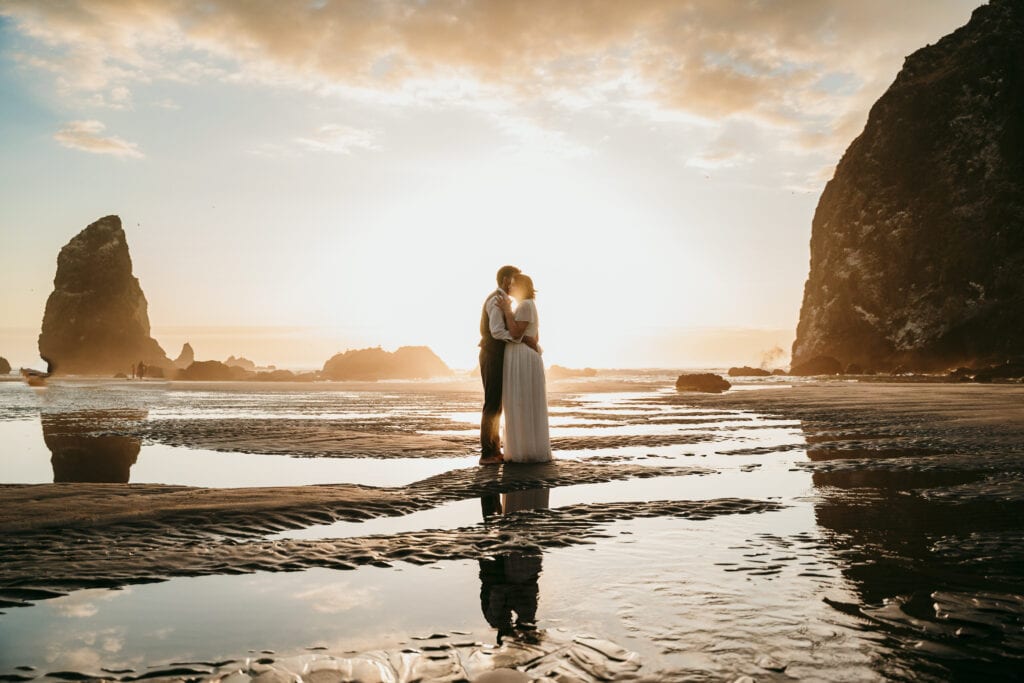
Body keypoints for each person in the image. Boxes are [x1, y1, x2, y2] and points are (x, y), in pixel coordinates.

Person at [478, 266, 539, 465]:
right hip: (492, 354)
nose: (515, 283)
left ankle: (495, 450)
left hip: (500, 354)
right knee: (492, 403)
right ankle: (487, 454)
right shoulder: (496, 300)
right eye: (513, 279)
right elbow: (496, 331)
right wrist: (520, 339)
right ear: (505, 280)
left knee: (498, 404)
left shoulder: (507, 301)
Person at [498, 274, 552, 463]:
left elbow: (515, 332)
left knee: (521, 401)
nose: (510, 289)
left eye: (513, 285)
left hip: (522, 357)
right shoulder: (528, 305)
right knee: (523, 401)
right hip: (523, 355)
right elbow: (533, 337)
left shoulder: (525, 305)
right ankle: (526, 448)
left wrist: (506, 310)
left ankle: (525, 452)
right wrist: (526, 338)